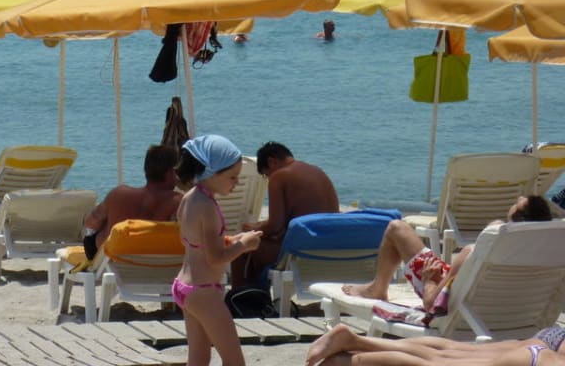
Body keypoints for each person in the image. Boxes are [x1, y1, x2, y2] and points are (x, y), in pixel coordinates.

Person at [341, 195, 552, 311]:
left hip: (452, 297)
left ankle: (377, 288)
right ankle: (377, 286)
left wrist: (429, 279)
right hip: (498, 306)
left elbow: (431, 304)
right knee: (400, 229)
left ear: (517, 218)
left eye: (517, 204)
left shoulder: (471, 253)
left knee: (396, 228)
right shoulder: (540, 259)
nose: (516, 199)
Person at [173, 134, 262, 366]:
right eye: (232, 177)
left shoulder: (189, 198)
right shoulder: (208, 207)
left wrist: (231, 239)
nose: (236, 183)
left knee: (199, 359)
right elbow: (214, 258)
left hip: (185, 287)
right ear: (212, 173)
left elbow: (197, 242)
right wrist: (244, 245)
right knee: (234, 361)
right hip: (204, 291)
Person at [231, 141, 339, 288]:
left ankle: (241, 301)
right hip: (330, 249)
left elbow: (275, 226)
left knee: (240, 245)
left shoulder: (280, 176)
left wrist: (251, 229)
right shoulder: (316, 171)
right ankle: (257, 298)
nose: (269, 179)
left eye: (266, 175)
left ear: (271, 161)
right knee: (260, 245)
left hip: (301, 254)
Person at [82, 144, 182, 258]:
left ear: (146, 169)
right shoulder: (178, 202)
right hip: (156, 261)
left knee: (100, 222)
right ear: (171, 172)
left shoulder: (119, 194)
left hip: (113, 261)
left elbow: (91, 223)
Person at [306, 322, 565, 366]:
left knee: (450, 352)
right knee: (438, 362)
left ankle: (354, 341)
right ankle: (347, 360)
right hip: (540, 359)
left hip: (551, 342)